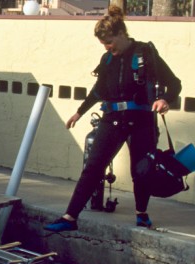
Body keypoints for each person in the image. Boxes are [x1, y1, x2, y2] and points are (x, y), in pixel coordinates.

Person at [44, 5, 181, 232]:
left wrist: (165, 99)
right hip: (113, 119)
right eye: (103, 44)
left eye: (109, 42)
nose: (108, 47)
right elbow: (98, 90)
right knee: (93, 167)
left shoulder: (145, 53)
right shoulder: (107, 60)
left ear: (121, 34)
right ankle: (69, 218)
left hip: (142, 120)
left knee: (141, 169)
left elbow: (175, 83)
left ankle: (142, 214)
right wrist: (79, 112)